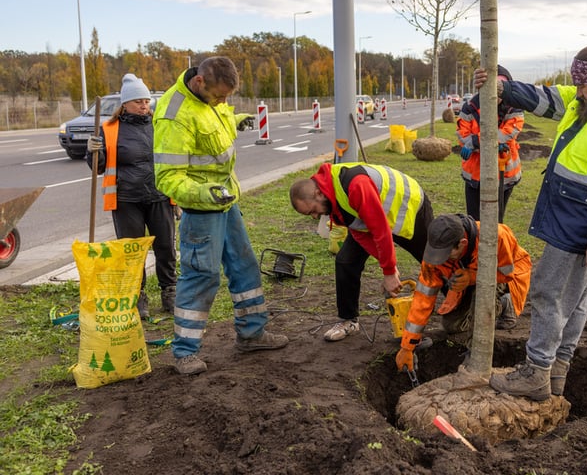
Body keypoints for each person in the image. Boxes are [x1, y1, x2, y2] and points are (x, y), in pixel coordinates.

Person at [474, 45, 587, 400]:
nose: (576, 94)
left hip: (583, 220)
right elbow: (547, 97)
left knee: (549, 291)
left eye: (582, 87)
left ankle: (536, 371)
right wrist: (504, 88)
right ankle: (557, 370)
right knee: (576, 298)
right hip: (573, 213)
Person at [152, 56, 285, 376]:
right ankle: (185, 352)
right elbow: (167, 178)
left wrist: (235, 118)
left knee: (244, 266)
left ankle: (252, 334)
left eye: (228, 98)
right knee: (201, 276)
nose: (223, 102)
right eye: (220, 96)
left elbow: (214, 118)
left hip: (226, 202)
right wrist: (203, 194)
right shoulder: (174, 116)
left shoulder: (208, 98)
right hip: (202, 211)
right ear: (199, 82)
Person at [289, 162, 433, 342]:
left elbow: (380, 230)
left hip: (408, 206)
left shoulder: (355, 186)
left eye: (313, 211)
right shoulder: (331, 199)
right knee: (345, 260)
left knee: (433, 260)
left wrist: (389, 272)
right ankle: (348, 320)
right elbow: (360, 231)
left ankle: (459, 308)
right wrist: (388, 267)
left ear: (318, 193)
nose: (315, 216)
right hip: (373, 218)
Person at [85, 74, 177, 318]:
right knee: (132, 251)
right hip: (126, 199)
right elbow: (99, 167)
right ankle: (138, 296)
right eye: (138, 101)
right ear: (125, 104)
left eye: (146, 101)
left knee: (166, 247)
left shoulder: (159, 125)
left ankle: (170, 292)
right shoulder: (110, 130)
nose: (144, 105)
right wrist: (92, 151)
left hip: (159, 196)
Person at [394, 213, 531, 373]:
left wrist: (472, 277)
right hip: (469, 280)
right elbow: (422, 300)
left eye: (446, 255)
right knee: (452, 325)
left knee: (481, 304)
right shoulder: (435, 254)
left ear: (462, 243)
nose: (441, 261)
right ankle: (501, 305)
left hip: (505, 278)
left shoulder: (495, 236)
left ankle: (476, 354)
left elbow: (506, 274)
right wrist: (407, 347)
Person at [456, 65, 524, 222]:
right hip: (475, 175)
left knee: (496, 220)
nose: (497, 91)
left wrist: (475, 142)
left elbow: (508, 132)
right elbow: (462, 134)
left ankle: (495, 245)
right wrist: (473, 143)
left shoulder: (514, 108)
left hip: (504, 174)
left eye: (501, 86)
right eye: (494, 85)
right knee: (474, 220)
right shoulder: (470, 107)